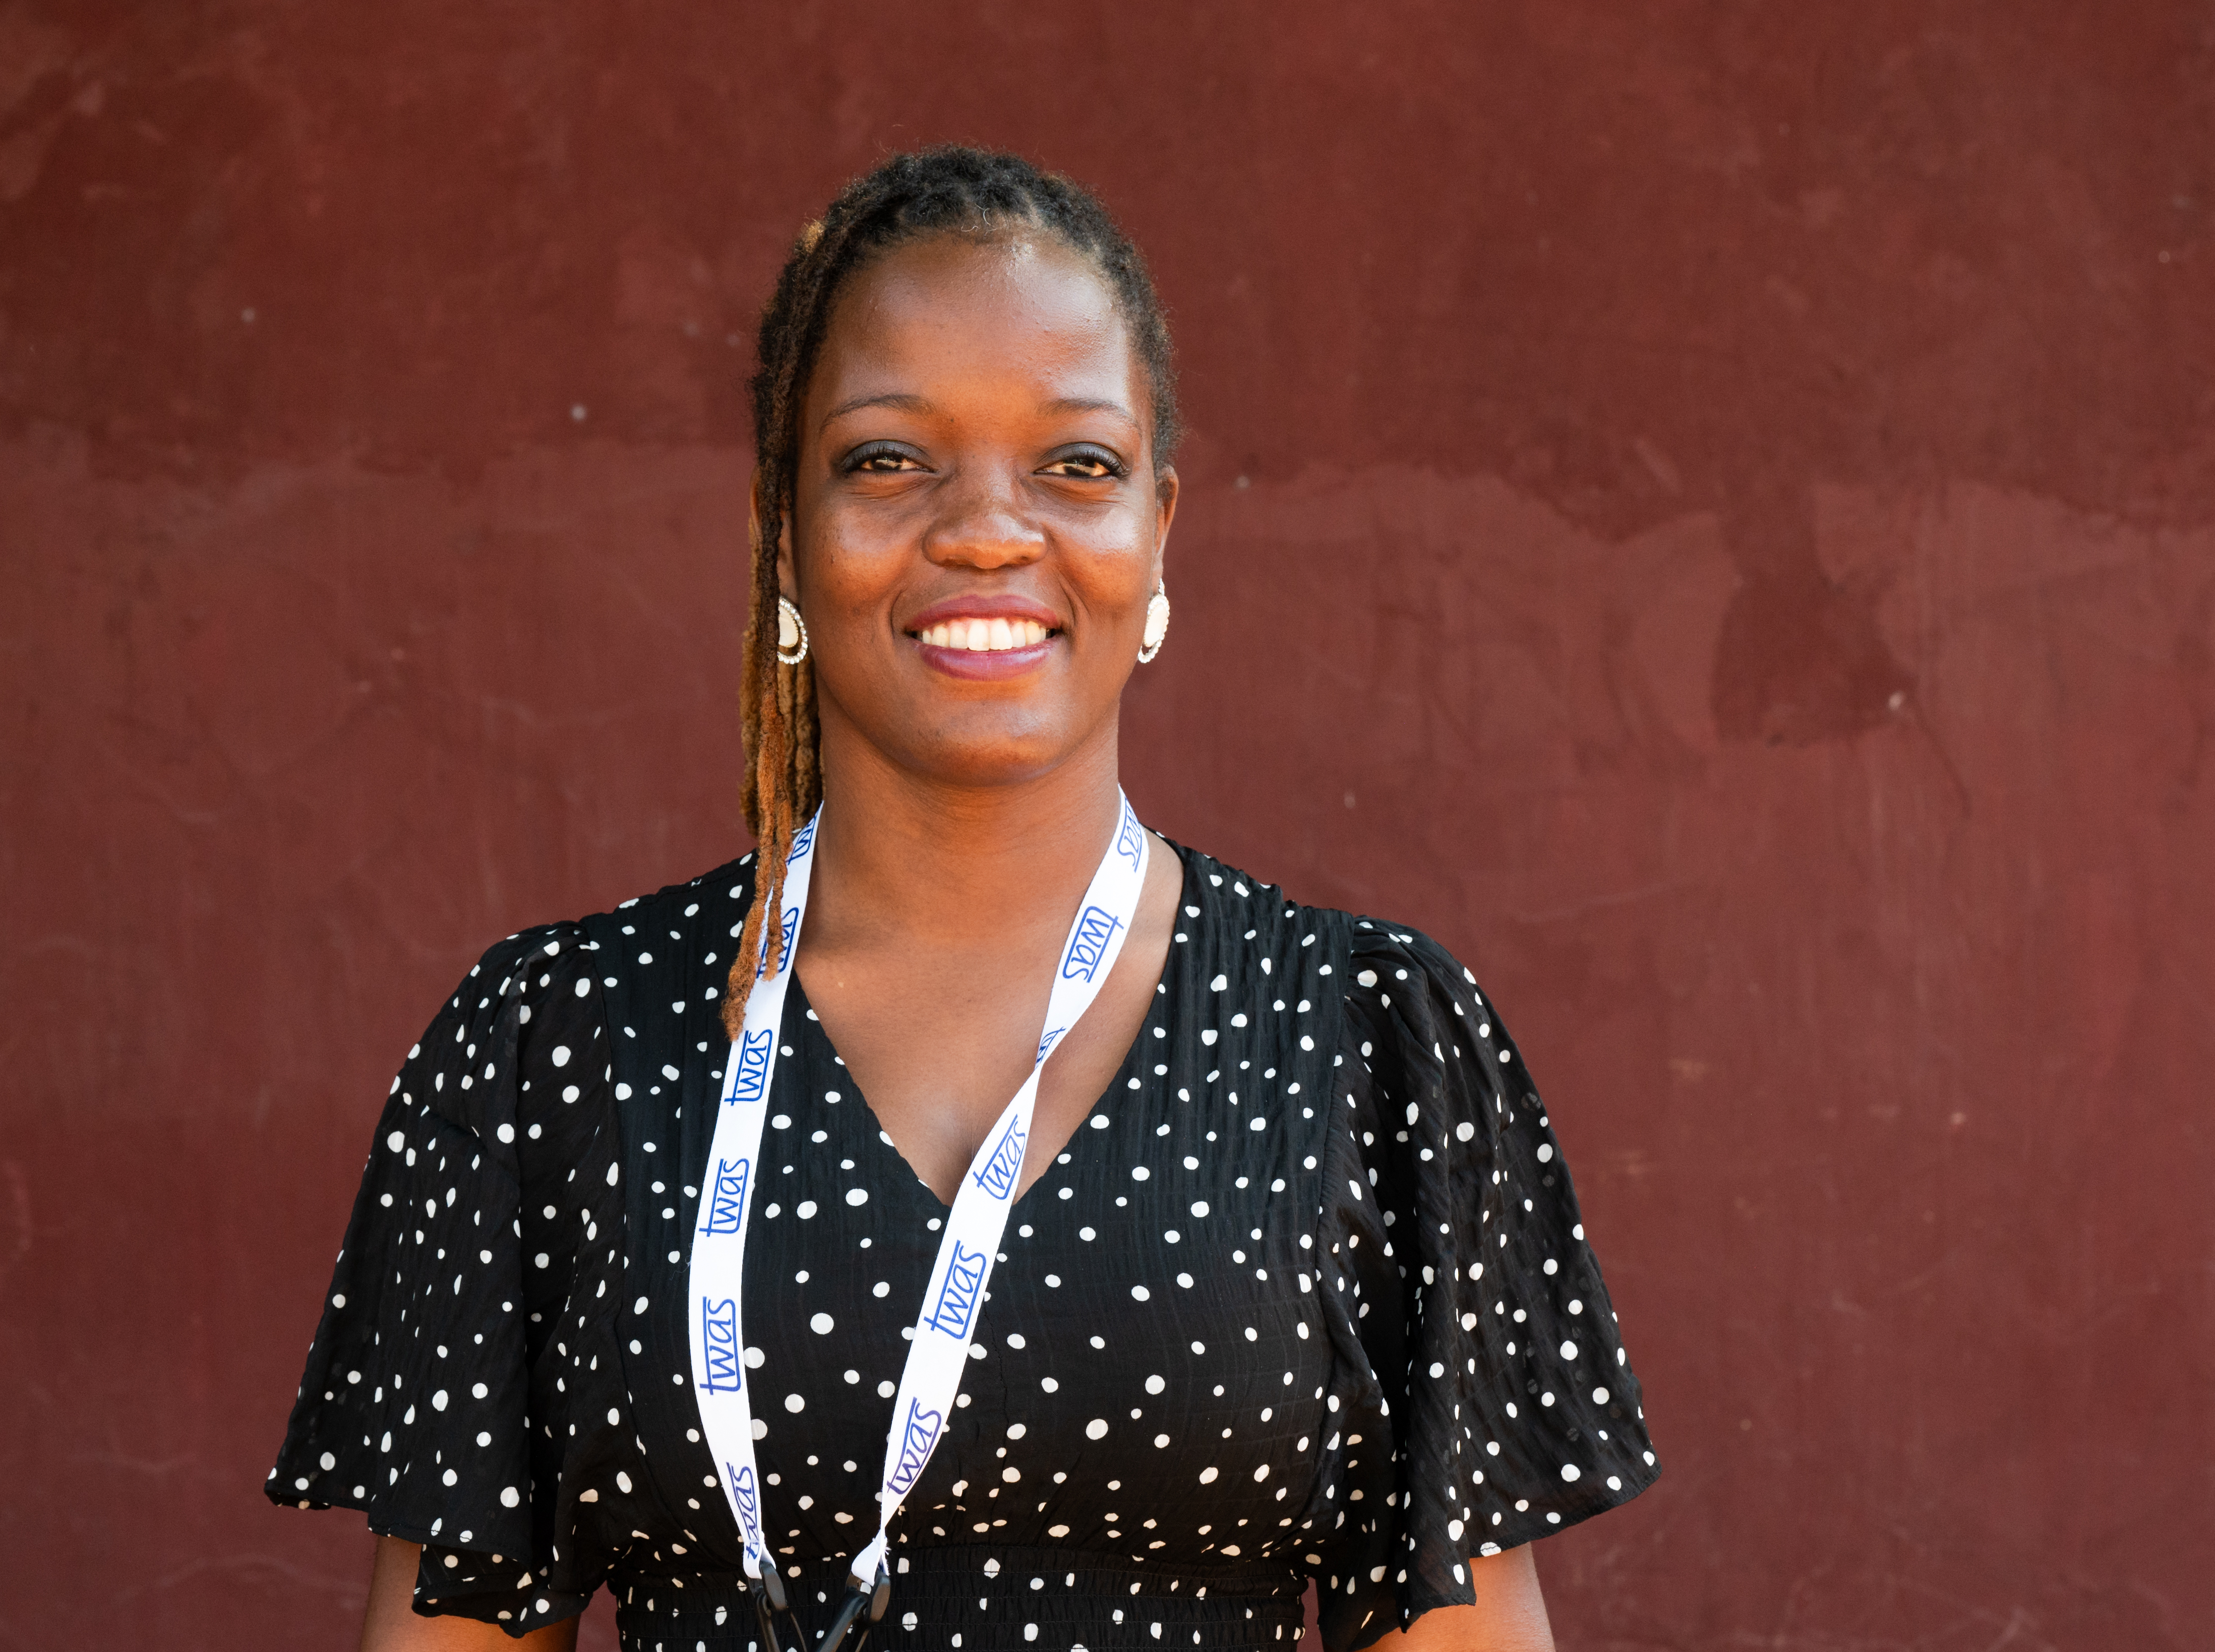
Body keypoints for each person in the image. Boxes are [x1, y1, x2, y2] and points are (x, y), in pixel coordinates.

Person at [267, 146, 1656, 1652]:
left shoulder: (1365, 1038)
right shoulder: (557, 1044)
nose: (989, 528)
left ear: (1158, 531)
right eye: (887, 460)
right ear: (782, 536)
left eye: (1076, 465)